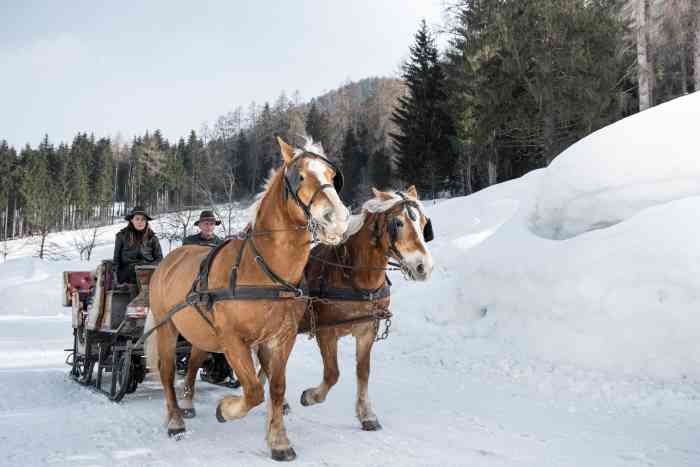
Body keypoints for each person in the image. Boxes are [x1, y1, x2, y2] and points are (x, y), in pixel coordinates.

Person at [113, 206, 163, 285]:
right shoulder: (121, 236)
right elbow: (116, 260)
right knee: (133, 274)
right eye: (137, 219)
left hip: (148, 271)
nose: (140, 222)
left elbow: (159, 259)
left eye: (143, 219)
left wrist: (149, 266)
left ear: (146, 221)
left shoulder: (152, 238)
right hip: (128, 273)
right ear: (131, 220)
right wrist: (115, 278)